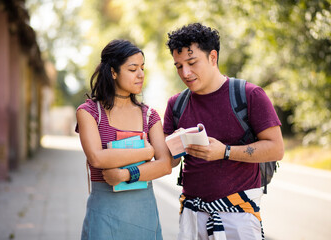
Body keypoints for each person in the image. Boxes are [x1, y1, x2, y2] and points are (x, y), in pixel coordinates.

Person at [163, 23, 284, 240]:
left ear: (212, 57)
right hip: (192, 215)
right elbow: (169, 162)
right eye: (178, 66)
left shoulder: (249, 94)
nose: (185, 73)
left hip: (238, 216)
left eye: (192, 63)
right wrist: (174, 145)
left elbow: (276, 149)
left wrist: (225, 151)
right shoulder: (176, 104)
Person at [75, 39, 172, 240]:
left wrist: (126, 175)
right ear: (113, 72)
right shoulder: (90, 112)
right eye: (132, 69)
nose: (140, 75)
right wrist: (145, 153)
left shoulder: (149, 115)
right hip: (104, 214)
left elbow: (164, 165)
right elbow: (97, 158)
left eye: (142, 68)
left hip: (144, 214)